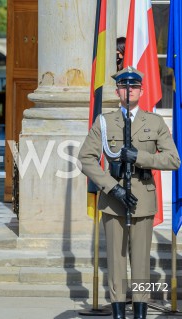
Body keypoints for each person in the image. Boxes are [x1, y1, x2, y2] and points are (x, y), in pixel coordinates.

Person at [78, 67, 180, 319]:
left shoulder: (154, 122)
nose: (128, 91)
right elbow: (86, 159)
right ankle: (118, 312)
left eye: (133, 87)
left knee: (141, 261)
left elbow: (173, 160)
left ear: (141, 91)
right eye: (124, 87)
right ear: (117, 91)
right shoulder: (104, 121)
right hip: (114, 199)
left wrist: (141, 157)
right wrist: (113, 188)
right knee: (115, 260)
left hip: (143, 199)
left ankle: (141, 312)